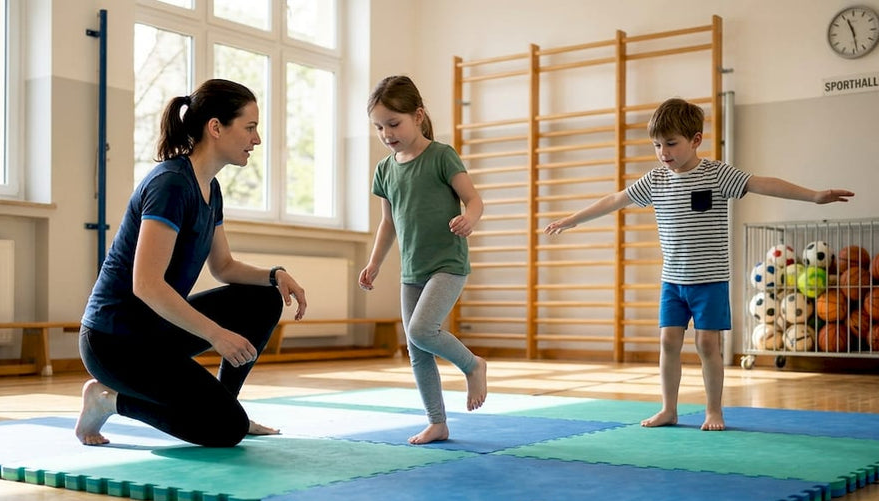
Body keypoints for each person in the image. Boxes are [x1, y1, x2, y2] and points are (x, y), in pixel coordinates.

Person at [544, 97, 852, 431]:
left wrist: (815, 196)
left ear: (695, 140)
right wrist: (573, 219)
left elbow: (762, 183)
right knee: (667, 342)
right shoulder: (656, 180)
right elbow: (615, 200)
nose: (664, 152)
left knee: (707, 345)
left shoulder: (717, 175)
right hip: (673, 282)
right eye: (657, 145)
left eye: (671, 144)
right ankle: (669, 409)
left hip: (710, 281)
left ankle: (713, 411)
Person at [76, 79, 307, 447]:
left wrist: (274, 275)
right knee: (225, 430)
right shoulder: (171, 185)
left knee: (264, 297)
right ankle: (109, 399)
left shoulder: (209, 187)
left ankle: (226, 404)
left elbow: (224, 267)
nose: (257, 139)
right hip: (115, 342)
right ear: (215, 127)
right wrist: (215, 334)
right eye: (250, 127)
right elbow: (146, 284)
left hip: (154, 332)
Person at [359, 75, 488, 445]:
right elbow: (388, 223)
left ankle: (472, 364)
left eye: (394, 124)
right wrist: (375, 263)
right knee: (417, 350)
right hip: (411, 270)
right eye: (379, 127)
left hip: (447, 263)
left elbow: (474, 199)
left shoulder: (441, 156)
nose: (387, 133)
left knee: (420, 330)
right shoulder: (385, 170)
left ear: (418, 116)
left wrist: (470, 218)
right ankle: (437, 422)